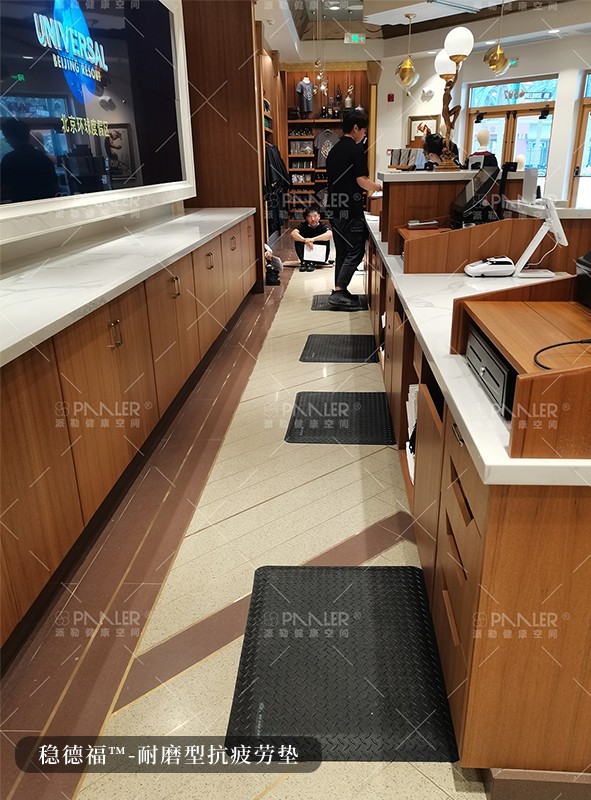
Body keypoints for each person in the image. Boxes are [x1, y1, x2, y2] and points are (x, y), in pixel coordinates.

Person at [326, 108, 381, 309]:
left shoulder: (334, 150)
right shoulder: (356, 149)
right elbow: (361, 181)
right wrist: (379, 187)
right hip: (350, 209)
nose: (364, 135)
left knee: (342, 251)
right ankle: (339, 291)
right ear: (356, 128)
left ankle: (340, 290)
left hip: (334, 207)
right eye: (364, 131)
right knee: (356, 250)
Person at [0, 118, 58, 203]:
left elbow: (4, 190)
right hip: (46, 204)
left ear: (11, 138)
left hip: (21, 206)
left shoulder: (9, 160)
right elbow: (55, 187)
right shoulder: (44, 158)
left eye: (6, 139)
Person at [290, 206, 333, 272]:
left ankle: (313, 262)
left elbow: (329, 234)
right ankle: (304, 262)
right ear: (306, 218)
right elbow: (293, 234)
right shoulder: (303, 225)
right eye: (310, 216)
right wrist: (305, 240)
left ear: (319, 216)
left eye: (315, 216)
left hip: (320, 257)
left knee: (324, 237)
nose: (313, 219)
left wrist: (313, 239)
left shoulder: (323, 226)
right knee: (298, 237)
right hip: (306, 256)